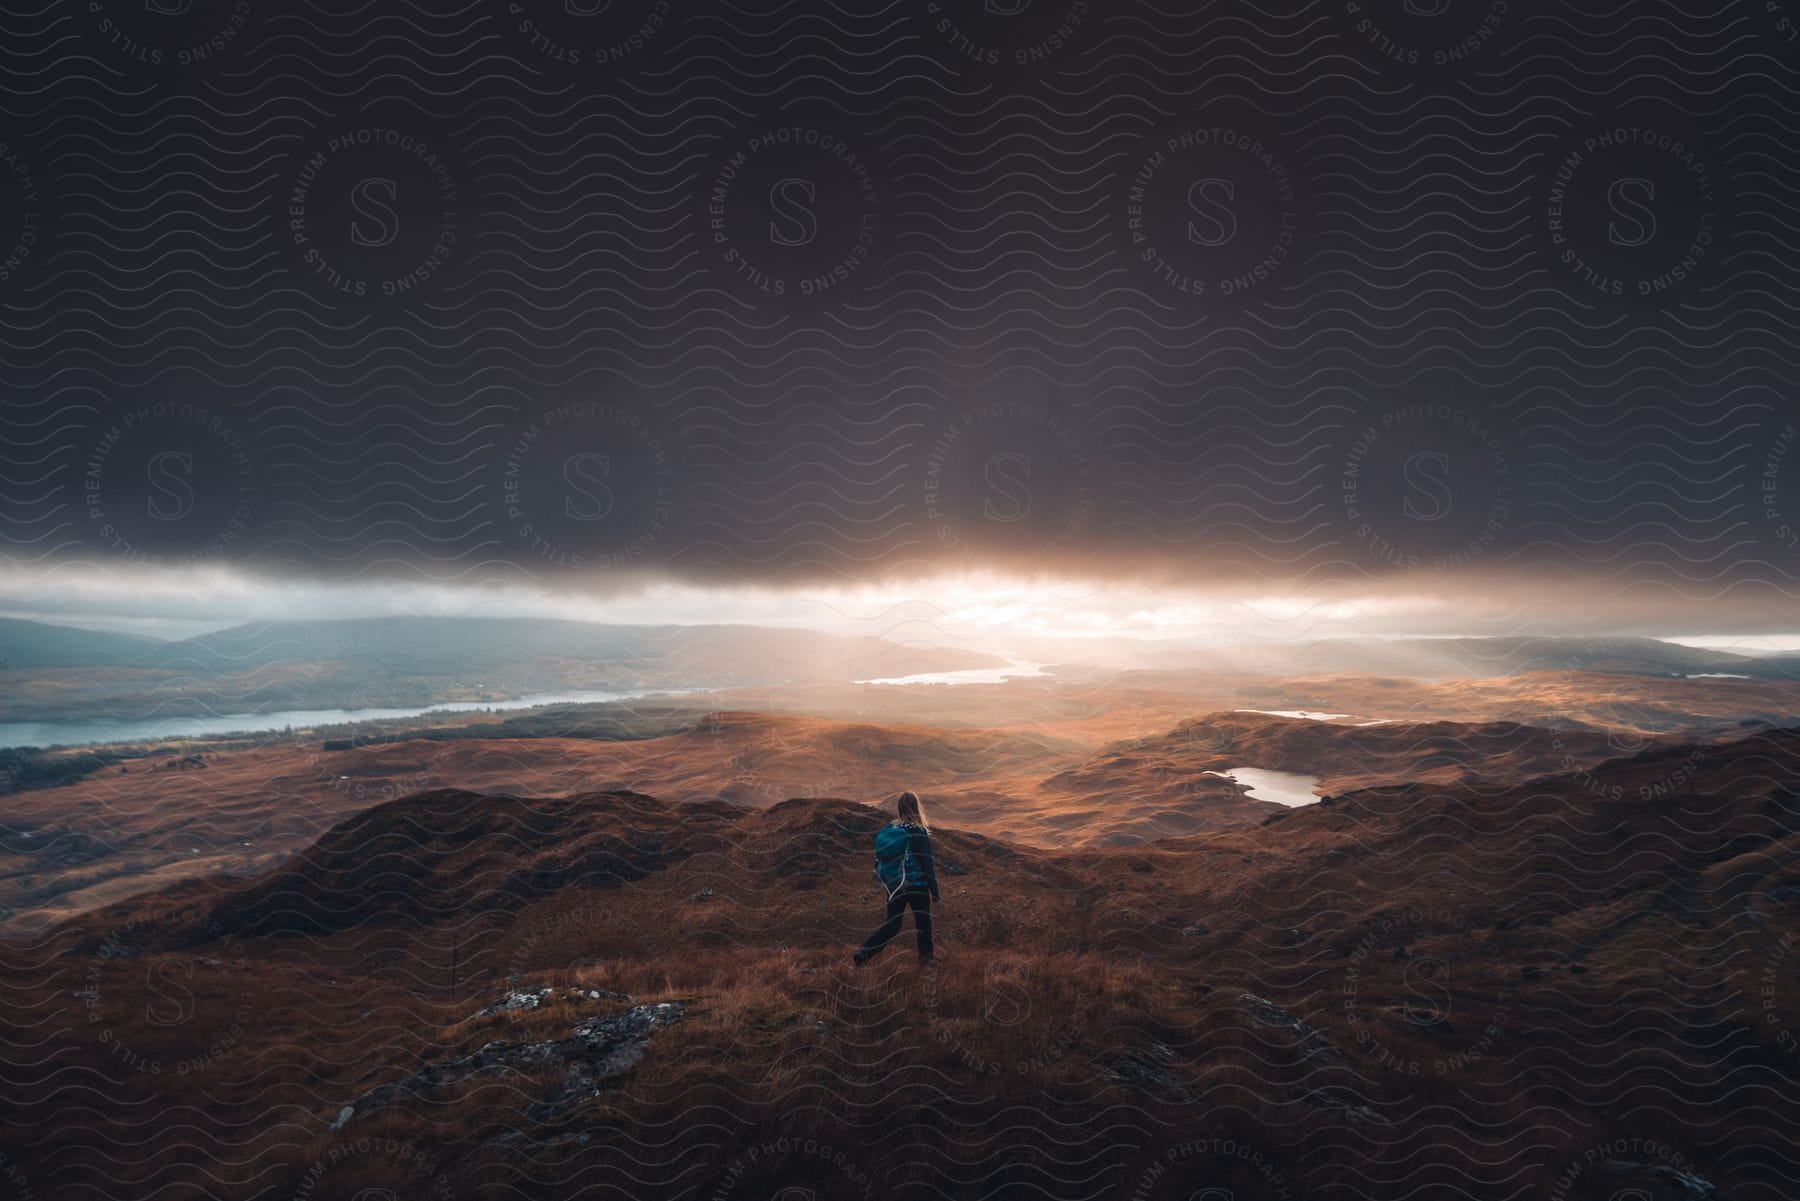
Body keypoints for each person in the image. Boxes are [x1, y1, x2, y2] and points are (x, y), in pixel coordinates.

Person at [852, 790, 940, 966]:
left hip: (895, 885)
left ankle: (864, 952)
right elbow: (926, 863)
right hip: (917, 885)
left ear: (900, 809)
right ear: (916, 808)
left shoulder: (891, 829)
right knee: (923, 922)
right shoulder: (918, 831)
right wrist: (934, 890)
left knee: (892, 925)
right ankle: (926, 959)